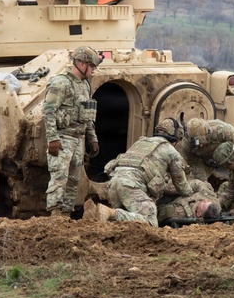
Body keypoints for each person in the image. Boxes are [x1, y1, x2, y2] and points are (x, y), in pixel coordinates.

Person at [83, 118, 193, 227]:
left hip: (113, 183)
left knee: (123, 223)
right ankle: (111, 212)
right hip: (131, 186)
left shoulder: (142, 142)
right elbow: (181, 185)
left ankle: (93, 213)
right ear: (177, 138)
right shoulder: (171, 151)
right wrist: (191, 192)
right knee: (150, 221)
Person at [43, 46, 101, 216]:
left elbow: (87, 114)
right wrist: (53, 138)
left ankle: (66, 214)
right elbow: (48, 111)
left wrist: (92, 138)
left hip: (78, 139)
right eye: (91, 66)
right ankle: (55, 214)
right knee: (59, 178)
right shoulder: (61, 83)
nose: (93, 71)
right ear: (81, 63)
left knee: (74, 181)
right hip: (63, 138)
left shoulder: (84, 85)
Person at [179, 117, 234, 183]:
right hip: (206, 162)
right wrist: (202, 181)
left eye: (202, 142)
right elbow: (193, 162)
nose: (200, 146)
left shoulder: (224, 131)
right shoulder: (187, 143)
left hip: (228, 160)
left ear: (208, 133)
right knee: (197, 183)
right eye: (197, 144)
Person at [157, 179, 222, 224]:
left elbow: (160, 212)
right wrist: (178, 189)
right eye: (207, 201)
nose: (205, 200)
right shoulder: (211, 198)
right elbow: (197, 183)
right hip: (177, 189)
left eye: (204, 204)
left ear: (198, 214)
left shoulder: (180, 212)